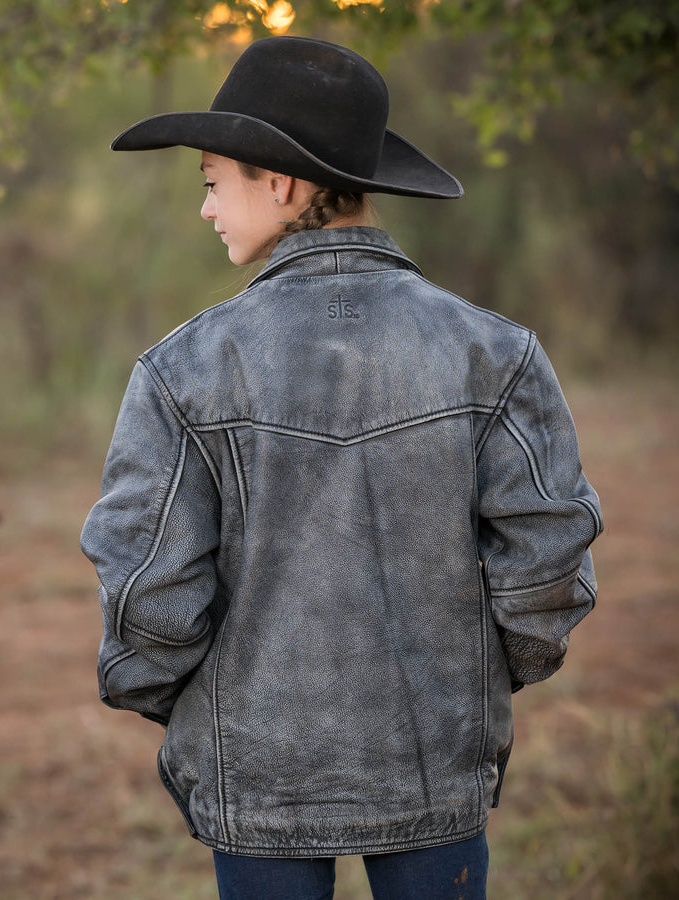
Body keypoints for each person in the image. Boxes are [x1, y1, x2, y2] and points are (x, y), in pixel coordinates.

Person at [80, 36, 602, 900]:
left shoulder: (183, 370)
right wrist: (472, 683)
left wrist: (187, 704)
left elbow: (149, 593)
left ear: (279, 183)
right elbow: (548, 558)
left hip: (258, 774)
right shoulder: (494, 353)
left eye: (213, 182)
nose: (207, 208)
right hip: (434, 765)